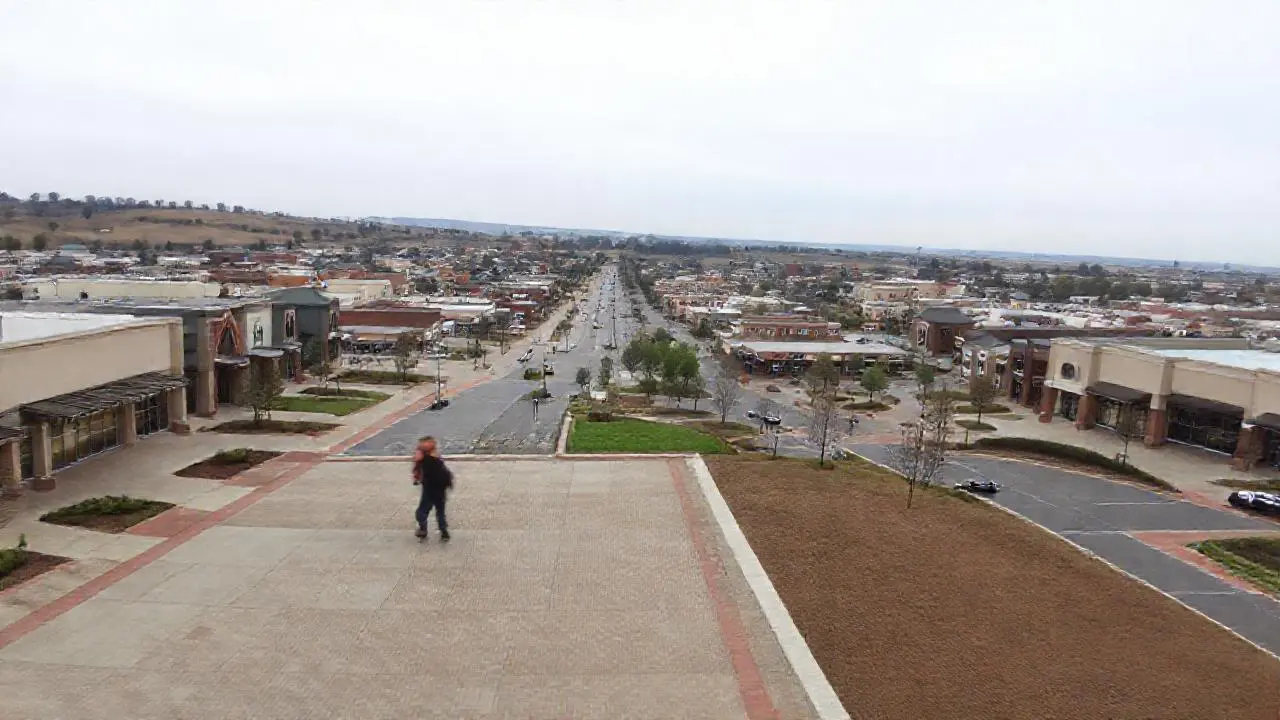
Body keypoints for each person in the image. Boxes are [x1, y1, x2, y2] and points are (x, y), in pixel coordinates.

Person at [412, 436, 453, 540]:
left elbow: (417, 471)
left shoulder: (424, 461)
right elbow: (445, 474)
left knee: (421, 511)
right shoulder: (437, 460)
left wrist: (416, 479)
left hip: (429, 490)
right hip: (440, 490)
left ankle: (423, 529)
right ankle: (444, 532)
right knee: (440, 512)